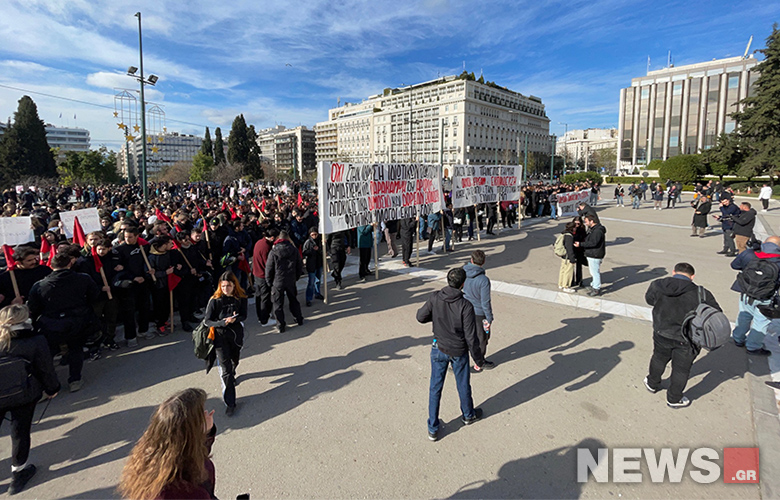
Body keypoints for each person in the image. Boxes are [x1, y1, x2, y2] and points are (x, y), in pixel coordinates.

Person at [416, 267, 484, 442]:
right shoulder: (465, 306)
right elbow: (471, 337)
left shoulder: (435, 297)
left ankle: (432, 428)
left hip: (438, 347)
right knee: (463, 384)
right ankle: (468, 415)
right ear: (463, 284)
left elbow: (420, 317)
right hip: (458, 350)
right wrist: (478, 359)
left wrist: (436, 316)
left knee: (435, 387)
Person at [0, 304, 59, 495]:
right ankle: (18, 474)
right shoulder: (35, 340)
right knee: (20, 432)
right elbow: (45, 368)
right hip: (24, 393)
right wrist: (52, 389)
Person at [644, 263, 721, 409]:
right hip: (688, 339)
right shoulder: (701, 293)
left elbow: (649, 300)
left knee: (658, 358)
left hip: (662, 332)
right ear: (692, 277)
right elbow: (715, 314)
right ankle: (674, 398)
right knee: (681, 370)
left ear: (674, 272)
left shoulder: (658, 284)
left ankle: (652, 384)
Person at [119, 388, 217, 499]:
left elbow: (194, 455)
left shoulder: (153, 452)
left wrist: (206, 433)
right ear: (189, 431)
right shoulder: (188, 493)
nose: (205, 414)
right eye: (200, 415)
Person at [27, 253, 100, 392]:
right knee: (75, 349)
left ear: (51, 265)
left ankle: (48, 384)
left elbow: (33, 308)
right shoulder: (83, 278)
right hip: (77, 321)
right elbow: (94, 295)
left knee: (49, 354)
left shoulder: (39, 285)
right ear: (70, 263)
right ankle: (75, 380)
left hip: (51, 324)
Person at [203, 272, 247, 415]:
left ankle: (233, 372)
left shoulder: (241, 298)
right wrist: (222, 323)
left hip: (235, 336)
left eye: (228, 286)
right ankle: (230, 402)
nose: (225, 289)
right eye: (223, 286)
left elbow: (244, 315)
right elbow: (207, 321)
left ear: (234, 285)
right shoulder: (215, 300)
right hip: (220, 338)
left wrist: (235, 319)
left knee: (234, 361)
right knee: (225, 370)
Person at [729, 236, 780, 356]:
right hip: (767, 297)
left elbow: (734, 265)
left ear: (764, 242)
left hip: (747, 292)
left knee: (744, 316)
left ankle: (738, 338)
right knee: (761, 322)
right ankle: (753, 347)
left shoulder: (749, 253)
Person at [463, 250, 495, 371]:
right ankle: (479, 362)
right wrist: (489, 317)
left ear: (471, 260)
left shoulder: (463, 273)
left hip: (465, 310)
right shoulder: (483, 280)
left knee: (464, 336)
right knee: (482, 339)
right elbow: (485, 302)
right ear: (483, 262)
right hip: (479, 313)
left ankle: (457, 361)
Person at [266, 230, 304, 333]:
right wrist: (296, 277)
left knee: (278, 304)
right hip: (290, 279)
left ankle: (281, 325)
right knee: (293, 300)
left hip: (278, 280)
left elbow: (269, 268)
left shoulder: (273, 251)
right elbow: (299, 265)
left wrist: (269, 281)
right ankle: (299, 318)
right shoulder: (294, 250)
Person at [575, 214, 606, 297]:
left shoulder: (597, 231)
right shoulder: (594, 229)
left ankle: (596, 288)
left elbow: (593, 243)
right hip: (593, 253)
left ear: (591, 221)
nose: (585, 223)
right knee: (593, 271)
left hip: (594, 254)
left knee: (594, 272)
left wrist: (580, 244)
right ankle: (594, 285)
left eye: (586, 221)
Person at [252, 228, 278, 326]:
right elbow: (269, 264)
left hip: (257, 273)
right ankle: (264, 319)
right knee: (265, 298)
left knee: (259, 296)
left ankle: (260, 316)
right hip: (263, 275)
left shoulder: (259, 242)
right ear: (272, 238)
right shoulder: (266, 247)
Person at [302, 227, 324, 307]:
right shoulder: (308, 242)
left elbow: (324, 251)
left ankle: (317, 293)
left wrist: (319, 249)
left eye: (315, 234)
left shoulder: (321, 241)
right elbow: (304, 252)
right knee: (311, 282)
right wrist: (312, 250)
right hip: (311, 264)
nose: (314, 236)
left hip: (319, 263)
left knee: (318, 280)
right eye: (312, 235)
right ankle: (308, 298)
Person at [558, 221, 578, 293]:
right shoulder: (569, 236)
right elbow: (569, 248)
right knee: (568, 271)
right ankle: (566, 286)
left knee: (563, 270)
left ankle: (561, 284)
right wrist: (572, 259)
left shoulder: (564, 233)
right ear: (572, 228)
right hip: (568, 257)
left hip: (564, 256)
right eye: (575, 227)